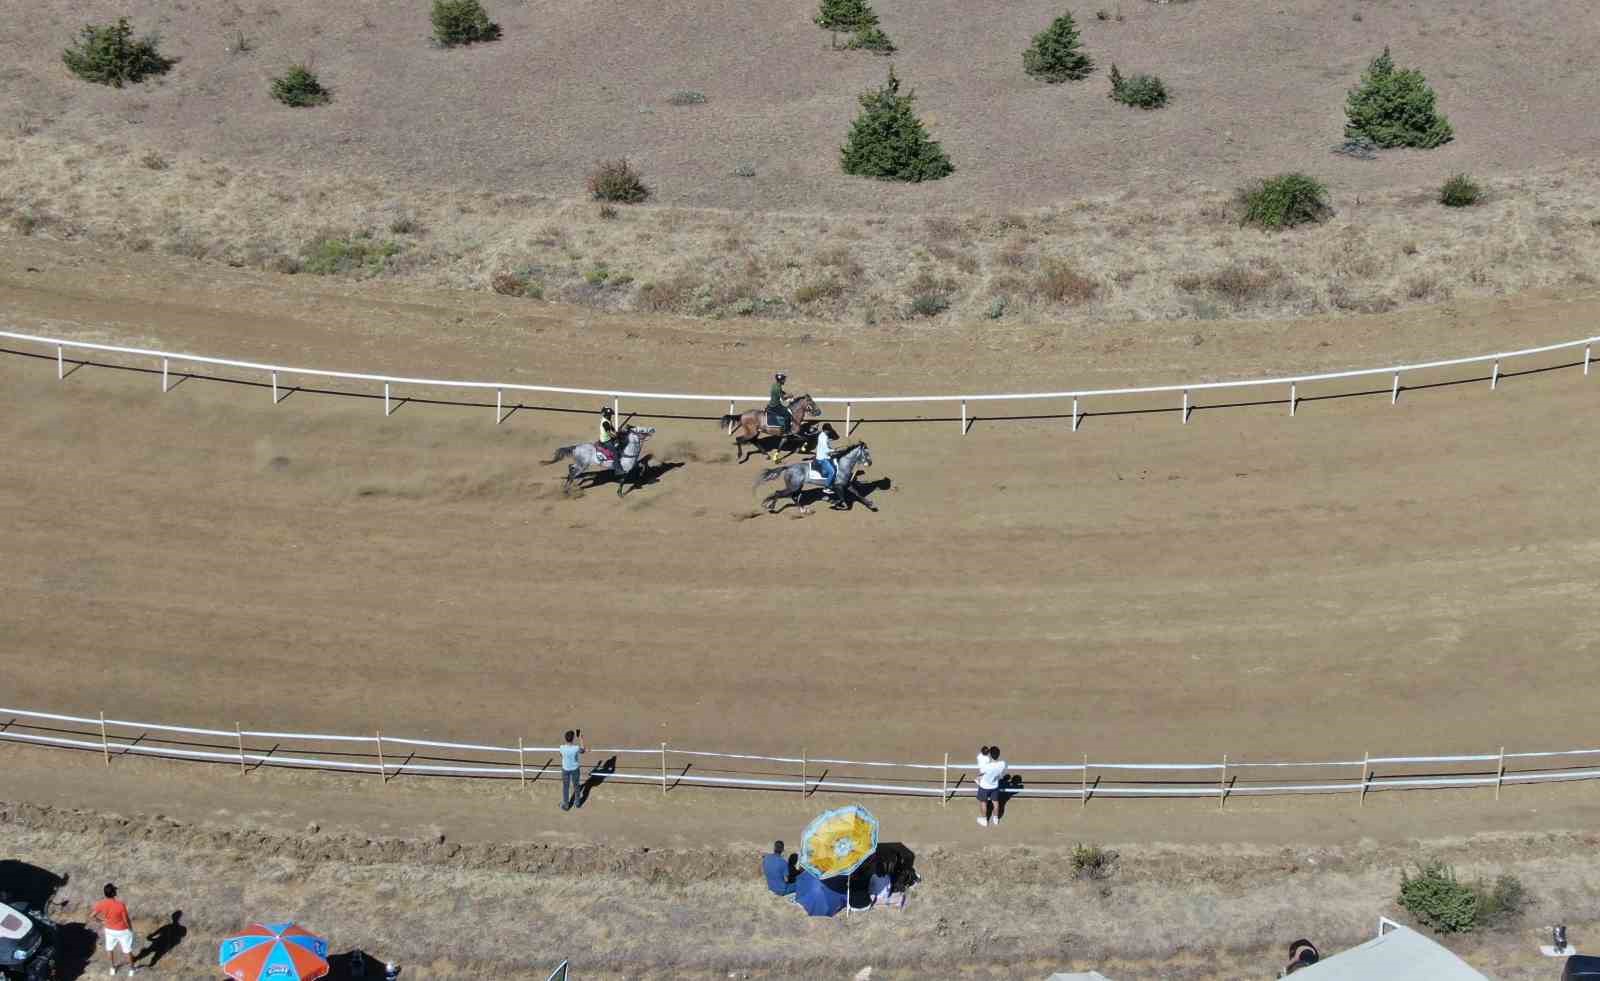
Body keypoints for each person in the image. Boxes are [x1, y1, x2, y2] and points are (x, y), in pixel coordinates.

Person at [92, 882, 135, 976]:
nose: (116, 891)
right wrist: (130, 929)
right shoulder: (120, 905)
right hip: (122, 930)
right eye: (115, 890)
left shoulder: (101, 903)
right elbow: (126, 919)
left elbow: (92, 915)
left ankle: (112, 968)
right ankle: (131, 969)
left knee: (110, 949)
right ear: (113, 893)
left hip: (109, 930)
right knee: (127, 950)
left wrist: (101, 921)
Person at [975, 745, 1008, 828]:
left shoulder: (986, 766)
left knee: (983, 802)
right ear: (998, 755)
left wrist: (983, 754)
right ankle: (996, 819)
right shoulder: (1002, 764)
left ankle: (984, 820)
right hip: (994, 786)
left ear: (990, 755)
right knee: (995, 802)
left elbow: (981, 771)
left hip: (984, 787)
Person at [559, 729, 586, 811]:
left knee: (565, 787)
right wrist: (581, 738)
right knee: (576, 786)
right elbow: (583, 750)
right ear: (573, 738)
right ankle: (577, 803)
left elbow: (561, 755)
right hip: (575, 769)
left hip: (565, 769)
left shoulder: (561, 747)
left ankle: (566, 805)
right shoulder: (576, 748)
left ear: (565, 738)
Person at [812, 423, 840, 496]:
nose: (830, 431)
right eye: (829, 430)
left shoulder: (824, 435)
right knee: (833, 472)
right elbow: (826, 450)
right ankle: (826, 488)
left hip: (824, 455)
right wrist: (834, 450)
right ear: (825, 430)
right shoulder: (823, 437)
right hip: (822, 458)